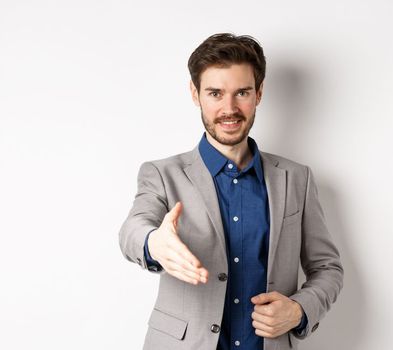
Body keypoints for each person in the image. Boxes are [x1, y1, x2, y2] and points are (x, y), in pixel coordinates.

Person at [117, 33, 343, 350]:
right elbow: (132, 229)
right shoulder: (162, 174)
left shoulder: (297, 178)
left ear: (259, 93)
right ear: (195, 94)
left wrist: (298, 310)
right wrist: (153, 242)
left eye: (242, 93)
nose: (229, 108)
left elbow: (327, 269)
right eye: (215, 93)